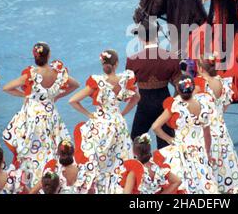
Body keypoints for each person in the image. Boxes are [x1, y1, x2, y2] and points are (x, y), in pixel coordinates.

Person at [2, 42, 79, 188]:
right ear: (49, 56)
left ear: (34, 56)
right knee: (51, 148)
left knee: (31, 151)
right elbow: (76, 84)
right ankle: (50, 179)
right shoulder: (58, 73)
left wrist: (26, 95)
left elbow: (7, 88)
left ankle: (31, 182)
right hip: (51, 115)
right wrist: (58, 96)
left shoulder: (31, 74)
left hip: (32, 116)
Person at [69, 49, 139, 194]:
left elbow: (73, 100)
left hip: (101, 124)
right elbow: (137, 98)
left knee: (98, 160)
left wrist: (89, 114)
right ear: (117, 64)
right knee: (119, 160)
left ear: (103, 64)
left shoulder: (97, 82)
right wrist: (122, 113)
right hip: (118, 123)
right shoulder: (125, 80)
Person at [152, 76, 218, 194]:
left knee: (183, 182)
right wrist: (207, 153)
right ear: (193, 88)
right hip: (199, 149)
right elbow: (207, 135)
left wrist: (169, 139)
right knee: (202, 182)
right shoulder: (203, 104)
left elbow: (155, 127)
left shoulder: (175, 105)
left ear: (177, 88)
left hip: (180, 150)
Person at [194, 55, 238, 194]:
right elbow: (226, 104)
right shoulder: (222, 82)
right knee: (225, 160)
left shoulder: (199, 84)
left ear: (200, 68)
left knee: (207, 160)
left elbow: (192, 106)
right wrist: (216, 113)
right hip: (221, 128)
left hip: (205, 129)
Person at [126, 20, 181, 149]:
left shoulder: (132, 60)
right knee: (167, 145)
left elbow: (128, 88)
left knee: (136, 140)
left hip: (143, 106)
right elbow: (179, 86)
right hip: (165, 104)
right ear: (157, 35)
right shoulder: (171, 57)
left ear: (140, 38)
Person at [118, 134, 182, 194]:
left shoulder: (134, 172)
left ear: (134, 152)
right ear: (149, 149)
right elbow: (177, 181)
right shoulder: (158, 165)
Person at [29, 140, 97, 194]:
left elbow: (32, 192)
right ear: (73, 153)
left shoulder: (51, 172)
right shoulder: (84, 171)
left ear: (58, 153)